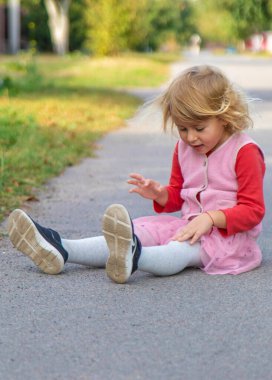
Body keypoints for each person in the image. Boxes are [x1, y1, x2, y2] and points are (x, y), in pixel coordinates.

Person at [8, 65, 266, 284]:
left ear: (224, 116)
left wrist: (211, 218)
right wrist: (161, 194)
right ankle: (63, 248)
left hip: (229, 239)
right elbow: (179, 196)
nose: (191, 137)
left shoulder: (244, 152)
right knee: (141, 230)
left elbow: (253, 211)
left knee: (181, 249)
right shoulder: (183, 148)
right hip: (189, 226)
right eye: (183, 129)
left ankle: (135, 256)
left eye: (199, 128)